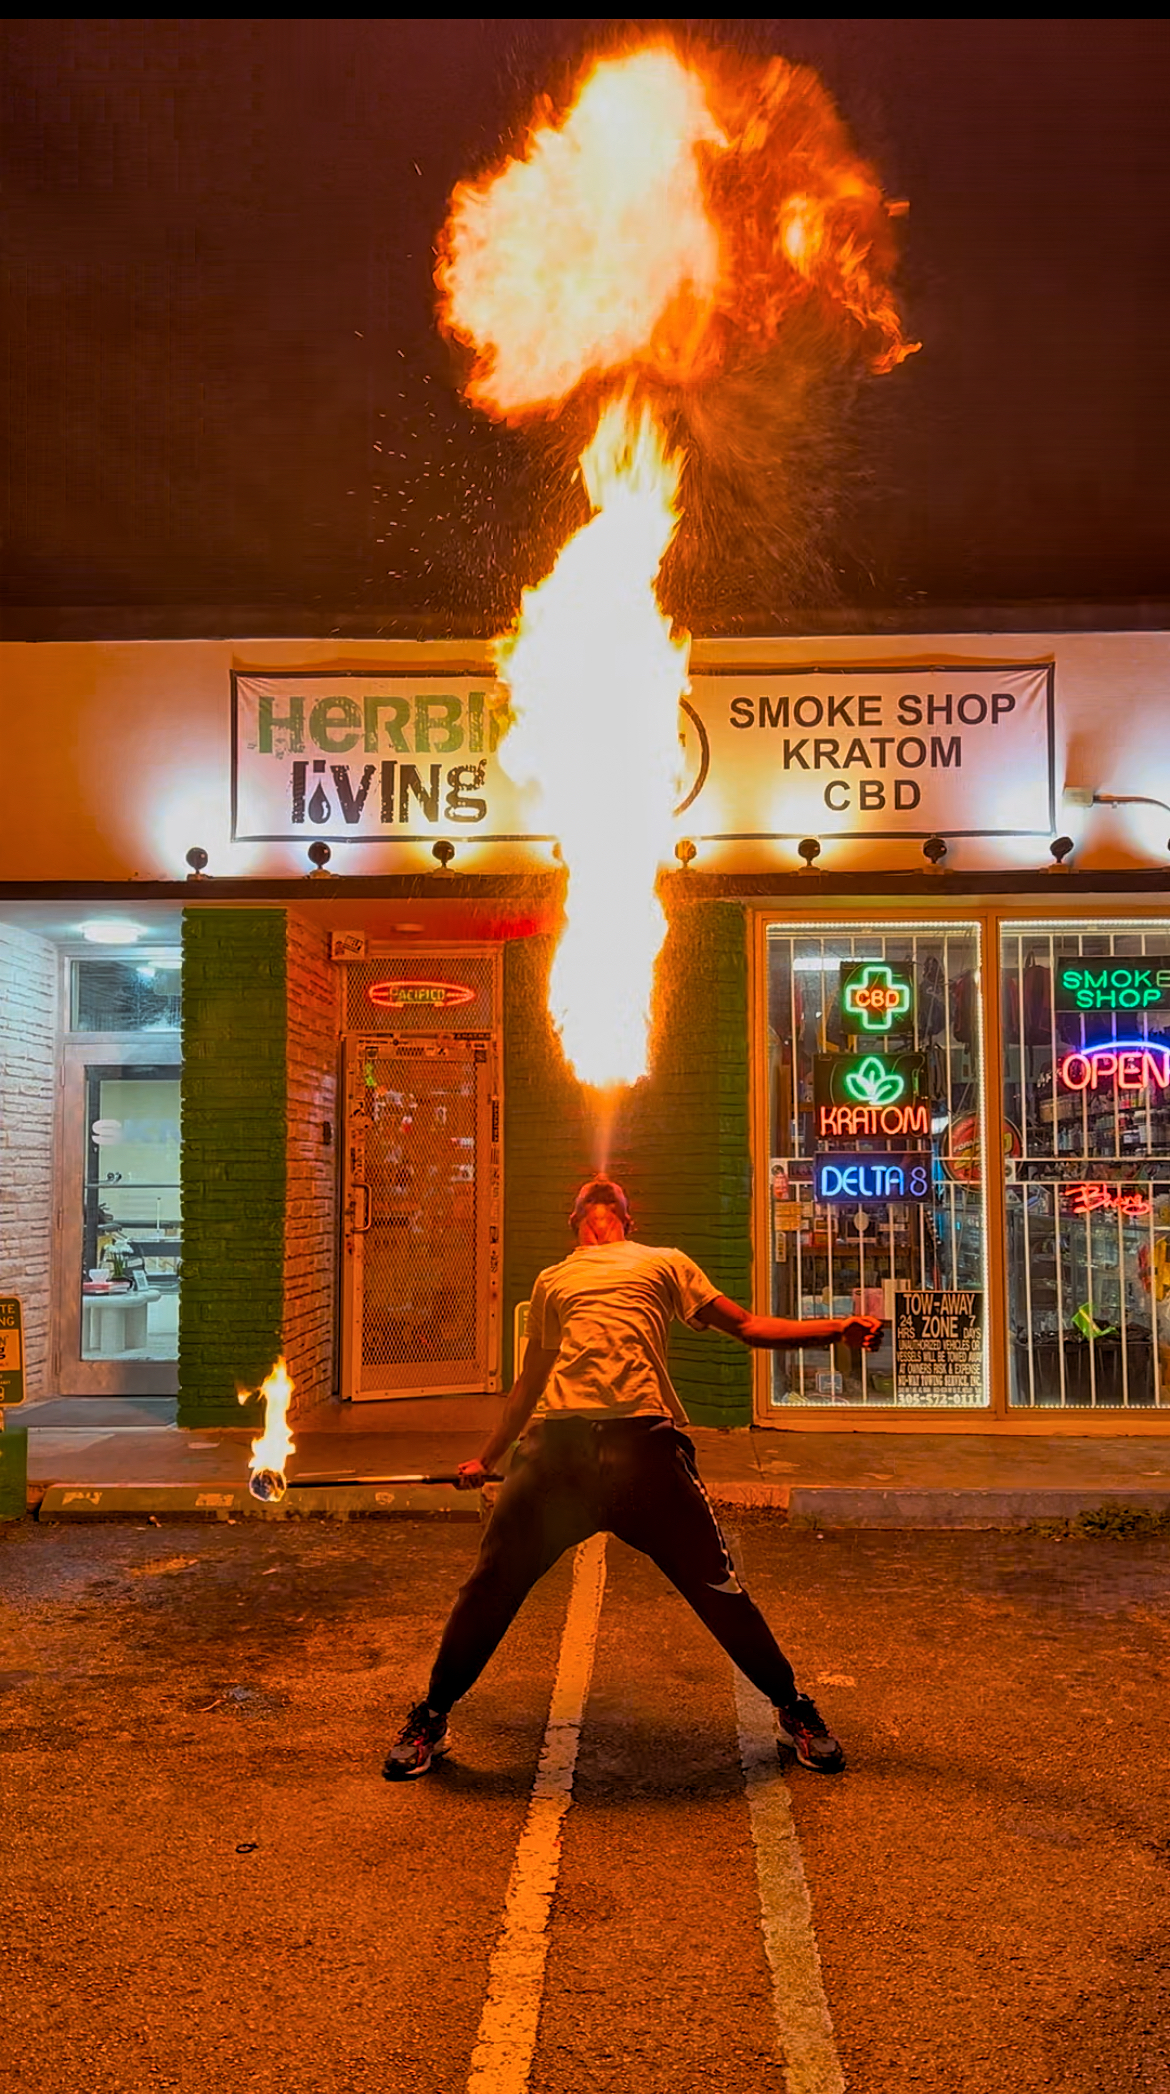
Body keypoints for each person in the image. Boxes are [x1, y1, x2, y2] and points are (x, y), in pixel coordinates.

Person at [384, 1176, 881, 1783]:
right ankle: (432, 1715)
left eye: (612, 1194)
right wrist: (487, 1457)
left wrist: (834, 1329)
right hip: (557, 1452)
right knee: (489, 1588)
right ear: (575, 1219)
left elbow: (747, 1327)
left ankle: (792, 1708)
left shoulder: (665, 1263)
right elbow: (529, 1383)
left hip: (643, 1448)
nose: (600, 1195)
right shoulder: (553, 1279)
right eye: (591, 1195)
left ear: (627, 1217)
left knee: (718, 1588)